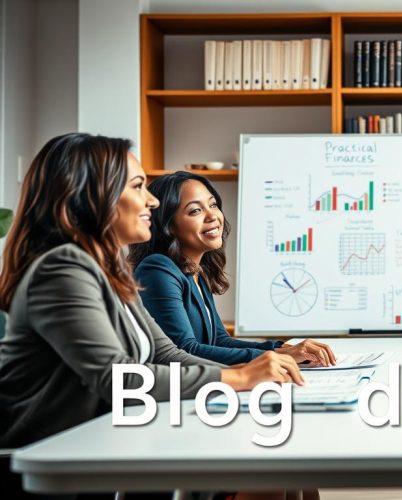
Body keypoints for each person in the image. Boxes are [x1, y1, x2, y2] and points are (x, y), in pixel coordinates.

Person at [0, 133, 303, 498]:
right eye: (138, 186)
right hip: (56, 466)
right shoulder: (62, 268)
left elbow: (167, 354)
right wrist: (236, 377)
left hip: (106, 447)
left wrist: (252, 371)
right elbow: (119, 378)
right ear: (93, 196)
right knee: (267, 466)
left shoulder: (110, 272)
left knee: (281, 463)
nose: (152, 200)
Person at [127, 171, 336, 367]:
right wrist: (278, 357)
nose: (212, 216)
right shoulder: (157, 269)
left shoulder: (196, 271)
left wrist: (280, 348)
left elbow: (219, 340)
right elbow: (184, 350)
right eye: (195, 210)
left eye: (213, 205)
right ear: (168, 225)